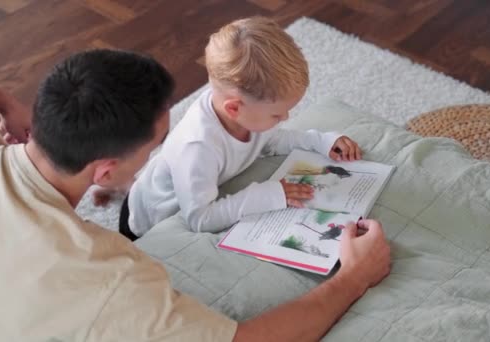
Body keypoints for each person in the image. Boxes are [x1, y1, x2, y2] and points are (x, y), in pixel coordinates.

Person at [0, 49, 390, 341]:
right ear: (106, 172)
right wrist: (353, 278)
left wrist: (4, 102)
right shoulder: (109, 277)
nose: (159, 155)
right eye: (155, 146)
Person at [123, 17, 362, 240]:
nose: (286, 117)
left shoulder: (246, 115)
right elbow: (200, 219)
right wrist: (268, 195)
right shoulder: (197, 147)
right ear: (234, 109)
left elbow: (270, 141)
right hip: (149, 221)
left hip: (199, 184)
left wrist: (320, 141)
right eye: (277, 114)